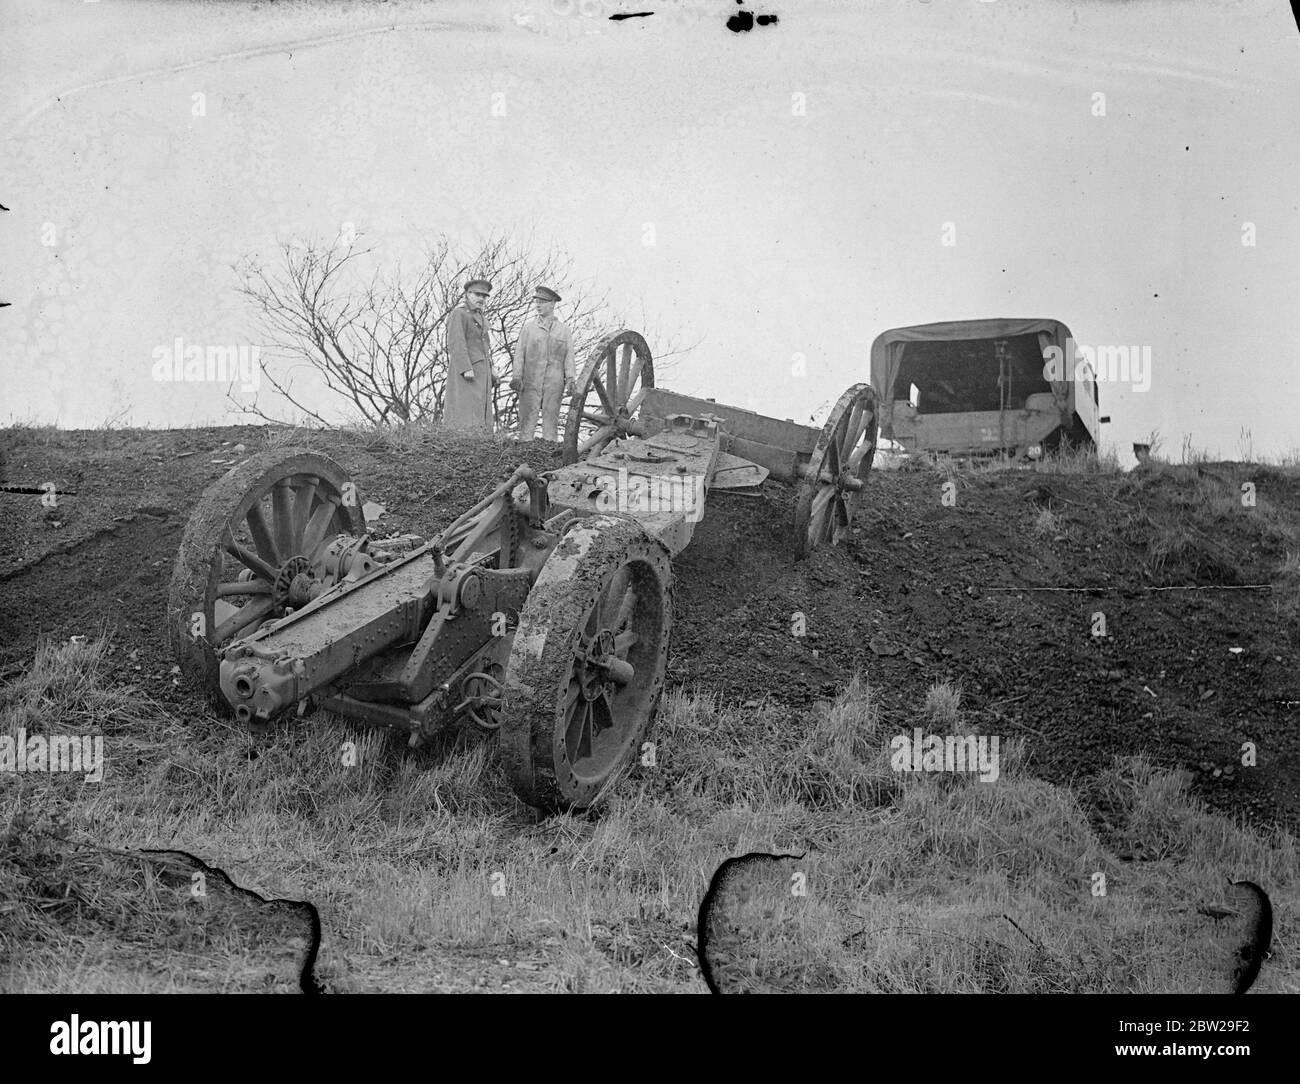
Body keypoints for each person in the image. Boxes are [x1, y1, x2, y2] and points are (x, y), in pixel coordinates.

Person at [511, 285, 575, 443]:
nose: (538, 305)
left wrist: (571, 379)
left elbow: (569, 357)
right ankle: (524, 449)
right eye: (537, 301)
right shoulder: (528, 329)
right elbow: (519, 354)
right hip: (530, 381)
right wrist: (517, 377)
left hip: (554, 382)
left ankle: (549, 449)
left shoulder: (564, 331)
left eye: (543, 301)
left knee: (551, 420)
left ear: (553, 303)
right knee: (526, 419)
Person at [443, 278, 497, 430]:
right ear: (467, 294)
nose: (481, 299)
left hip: (482, 369)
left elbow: (485, 345)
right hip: (467, 369)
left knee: (480, 408)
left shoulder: (481, 317)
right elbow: (457, 342)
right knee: (465, 408)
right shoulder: (459, 314)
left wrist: (491, 368)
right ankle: (464, 438)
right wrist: (465, 367)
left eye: (484, 296)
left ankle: (480, 439)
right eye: (477, 294)